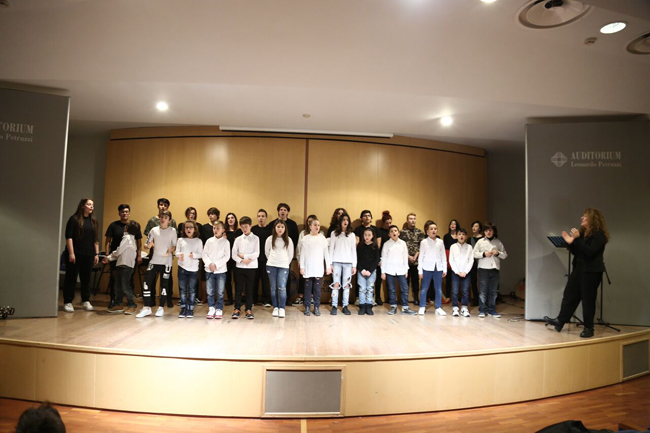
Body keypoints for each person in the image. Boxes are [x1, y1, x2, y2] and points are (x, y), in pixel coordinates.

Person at [545, 209, 609, 338]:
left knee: (588, 300)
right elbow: (578, 252)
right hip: (579, 269)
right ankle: (560, 321)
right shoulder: (583, 233)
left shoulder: (600, 235)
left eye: (585, 216)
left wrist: (577, 240)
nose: (582, 218)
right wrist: (571, 243)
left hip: (591, 272)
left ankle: (589, 328)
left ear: (593, 219)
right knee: (569, 295)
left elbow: (590, 252)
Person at [137, 210, 177, 318]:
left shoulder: (172, 231)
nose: (163, 219)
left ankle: (161, 307)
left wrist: (170, 250)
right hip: (154, 260)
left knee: (164, 285)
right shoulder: (154, 230)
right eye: (162, 217)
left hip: (166, 262)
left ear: (169, 221)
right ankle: (146, 307)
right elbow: (146, 245)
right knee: (147, 283)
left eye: (165, 218)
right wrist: (148, 246)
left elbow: (175, 246)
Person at [63, 198, 99, 313]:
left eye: (92, 205)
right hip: (76, 253)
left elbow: (95, 239)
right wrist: (71, 253)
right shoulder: (74, 219)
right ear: (83, 206)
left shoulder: (93, 221)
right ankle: (68, 301)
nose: (91, 206)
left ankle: (86, 300)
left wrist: (96, 253)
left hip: (88, 254)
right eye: (89, 204)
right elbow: (69, 237)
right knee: (71, 278)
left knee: (86, 278)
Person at [104, 204, 142, 308]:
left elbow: (120, 250)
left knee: (126, 284)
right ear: (119, 213)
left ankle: (130, 302)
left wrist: (110, 257)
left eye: (126, 211)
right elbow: (108, 241)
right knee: (116, 282)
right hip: (119, 261)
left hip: (124, 262)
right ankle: (117, 301)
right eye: (122, 212)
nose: (125, 213)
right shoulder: (114, 226)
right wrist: (108, 256)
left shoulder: (128, 237)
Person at [144, 198, 178, 308]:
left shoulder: (172, 223)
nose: (163, 207)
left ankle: (168, 299)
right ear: (158, 206)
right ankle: (151, 300)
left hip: (167, 255)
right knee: (152, 278)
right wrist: (152, 245)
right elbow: (148, 239)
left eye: (165, 205)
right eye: (161, 204)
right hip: (154, 253)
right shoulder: (152, 222)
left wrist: (170, 250)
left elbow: (174, 240)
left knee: (167, 279)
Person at [473, 222, 507, 318]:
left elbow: (504, 255)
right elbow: (474, 254)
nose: (488, 232)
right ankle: (482, 310)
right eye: (486, 230)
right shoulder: (480, 242)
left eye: (490, 230)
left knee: (493, 291)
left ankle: (492, 310)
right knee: (483, 291)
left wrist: (498, 253)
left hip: (494, 269)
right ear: (484, 232)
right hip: (483, 269)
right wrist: (483, 254)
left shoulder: (498, 242)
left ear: (493, 231)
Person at [299, 218, 332, 316]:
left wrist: (328, 267)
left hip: (318, 267)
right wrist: (302, 267)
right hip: (308, 267)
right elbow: (302, 254)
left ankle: (316, 307)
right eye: (315, 225)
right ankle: (307, 307)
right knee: (307, 289)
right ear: (310, 226)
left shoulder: (322, 239)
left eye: (318, 225)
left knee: (317, 290)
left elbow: (326, 254)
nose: (317, 227)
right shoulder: (305, 239)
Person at [382, 225, 417, 315]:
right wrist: (383, 272)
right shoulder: (386, 244)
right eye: (392, 231)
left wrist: (406, 270)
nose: (394, 232)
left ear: (398, 233)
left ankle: (405, 308)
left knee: (404, 289)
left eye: (395, 231)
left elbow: (405, 257)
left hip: (401, 269)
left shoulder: (403, 243)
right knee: (391, 289)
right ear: (389, 234)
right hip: (390, 269)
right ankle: (393, 307)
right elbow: (384, 258)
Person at [329, 212, 357, 315]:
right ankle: (334, 305)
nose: (345, 222)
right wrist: (330, 264)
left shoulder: (352, 235)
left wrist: (354, 265)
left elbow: (353, 251)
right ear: (340, 221)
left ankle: (345, 305)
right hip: (336, 262)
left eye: (347, 220)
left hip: (348, 263)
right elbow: (331, 249)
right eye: (343, 220)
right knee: (336, 284)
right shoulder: (334, 233)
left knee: (346, 285)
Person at [231, 216, 260, 319]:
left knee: (249, 289)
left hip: (251, 267)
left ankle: (248, 309)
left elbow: (256, 253)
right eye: (242, 227)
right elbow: (234, 254)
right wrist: (242, 260)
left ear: (250, 226)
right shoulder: (238, 239)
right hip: (239, 266)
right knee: (238, 289)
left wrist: (244, 256)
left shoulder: (256, 238)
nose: (244, 229)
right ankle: (237, 308)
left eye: (246, 227)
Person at [265, 220, 294, 318]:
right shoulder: (270, 239)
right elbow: (267, 252)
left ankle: (282, 308)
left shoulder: (288, 240)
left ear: (285, 228)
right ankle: (275, 307)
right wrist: (273, 261)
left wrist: (284, 263)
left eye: (282, 227)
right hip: (271, 265)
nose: (280, 229)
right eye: (278, 227)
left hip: (283, 266)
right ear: (275, 228)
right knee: (273, 288)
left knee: (282, 287)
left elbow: (290, 254)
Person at [418, 221, 447, 315]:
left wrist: (445, 269)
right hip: (427, 268)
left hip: (438, 268)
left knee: (438, 289)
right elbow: (421, 257)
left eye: (435, 229)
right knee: (424, 288)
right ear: (427, 231)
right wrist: (420, 270)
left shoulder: (440, 242)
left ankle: (438, 307)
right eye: (431, 229)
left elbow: (443, 256)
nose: (433, 230)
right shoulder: (424, 242)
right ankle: (422, 306)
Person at [175, 220, 202, 318]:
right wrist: (179, 255)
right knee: (183, 290)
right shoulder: (180, 240)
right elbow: (176, 252)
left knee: (192, 290)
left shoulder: (198, 241)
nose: (188, 229)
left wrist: (193, 255)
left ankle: (190, 309)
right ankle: (183, 309)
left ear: (195, 229)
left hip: (193, 269)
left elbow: (201, 254)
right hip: (182, 267)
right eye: (186, 227)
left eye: (191, 227)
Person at [203, 221, 230, 319]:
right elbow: (204, 254)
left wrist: (216, 265)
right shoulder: (209, 241)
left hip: (220, 271)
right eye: (214, 228)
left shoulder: (226, 242)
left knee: (220, 291)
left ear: (223, 230)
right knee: (210, 291)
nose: (215, 230)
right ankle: (211, 307)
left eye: (218, 228)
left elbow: (226, 256)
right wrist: (209, 263)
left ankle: (219, 308)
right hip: (209, 270)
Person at [294, 214, 319, 306]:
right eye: (309, 222)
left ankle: (312, 297)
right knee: (303, 278)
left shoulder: (320, 234)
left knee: (314, 279)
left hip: (315, 261)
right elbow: (299, 247)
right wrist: (299, 259)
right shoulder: (303, 233)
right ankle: (301, 296)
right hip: (304, 260)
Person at [400, 213, 424, 305]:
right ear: (407, 221)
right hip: (405, 260)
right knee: (404, 281)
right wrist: (408, 256)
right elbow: (401, 247)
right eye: (410, 219)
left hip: (416, 261)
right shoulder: (402, 232)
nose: (413, 220)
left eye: (414, 218)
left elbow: (421, 246)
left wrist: (415, 256)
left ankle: (416, 298)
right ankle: (404, 299)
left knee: (415, 281)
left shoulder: (420, 232)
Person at [198, 207, 221, 306]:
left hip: (218, 255)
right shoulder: (204, 227)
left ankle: (216, 298)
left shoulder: (220, 226)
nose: (210, 216)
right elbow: (202, 241)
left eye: (212, 214)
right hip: (207, 255)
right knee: (204, 277)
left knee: (218, 276)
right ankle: (205, 296)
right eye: (209, 214)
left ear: (217, 215)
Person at [449, 228, 473, 317]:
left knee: (465, 291)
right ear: (456, 236)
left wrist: (465, 271)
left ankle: (464, 307)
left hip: (466, 272)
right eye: (459, 234)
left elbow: (471, 260)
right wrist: (457, 271)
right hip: (456, 272)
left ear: (466, 236)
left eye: (463, 234)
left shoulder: (469, 247)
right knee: (455, 291)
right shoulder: (453, 246)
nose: (461, 236)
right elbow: (451, 260)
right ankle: (455, 307)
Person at [356, 227, 380, 315]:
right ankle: (362, 306)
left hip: (371, 271)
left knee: (370, 288)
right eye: (365, 235)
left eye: (369, 235)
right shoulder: (360, 245)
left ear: (372, 236)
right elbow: (357, 258)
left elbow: (376, 259)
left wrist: (370, 270)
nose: (367, 237)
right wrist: (361, 269)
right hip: (361, 271)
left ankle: (369, 306)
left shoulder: (375, 246)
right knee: (362, 288)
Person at [252, 209, 272, 307]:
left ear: (266, 218)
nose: (261, 218)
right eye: (259, 216)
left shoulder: (270, 230)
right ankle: (253, 299)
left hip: (267, 259)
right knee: (254, 280)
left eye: (263, 216)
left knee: (266, 281)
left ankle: (266, 300)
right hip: (254, 259)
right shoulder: (253, 229)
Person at [375, 210, 393, 306]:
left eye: (390, 223)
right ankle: (378, 297)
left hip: (390, 258)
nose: (389, 225)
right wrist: (379, 259)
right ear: (383, 223)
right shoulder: (379, 231)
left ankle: (391, 297)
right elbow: (378, 246)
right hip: (382, 257)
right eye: (387, 223)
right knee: (379, 279)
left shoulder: (392, 232)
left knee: (390, 279)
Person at [224, 212, 241, 306]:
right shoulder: (224, 232)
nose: (230, 219)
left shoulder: (239, 232)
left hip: (237, 258)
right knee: (227, 279)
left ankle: (238, 299)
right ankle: (229, 298)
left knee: (237, 280)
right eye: (228, 218)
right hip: (227, 259)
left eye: (232, 218)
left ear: (235, 219)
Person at [443, 219, 460, 301]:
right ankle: (448, 296)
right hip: (448, 257)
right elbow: (445, 249)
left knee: (458, 278)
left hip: (458, 258)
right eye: (451, 224)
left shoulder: (459, 236)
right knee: (448, 278)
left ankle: (457, 297)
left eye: (454, 224)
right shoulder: (446, 236)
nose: (453, 225)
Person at [468, 220, 484, 307]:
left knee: (482, 281)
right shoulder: (469, 239)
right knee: (473, 281)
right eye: (473, 226)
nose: (474, 228)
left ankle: (483, 300)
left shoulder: (483, 239)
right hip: (472, 262)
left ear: (480, 228)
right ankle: (476, 299)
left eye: (476, 226)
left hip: (482, 261)